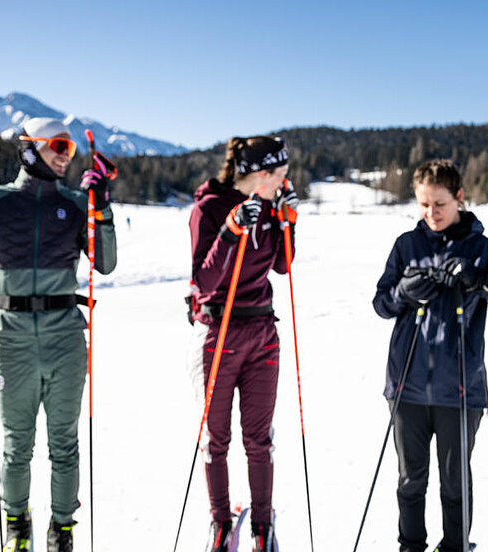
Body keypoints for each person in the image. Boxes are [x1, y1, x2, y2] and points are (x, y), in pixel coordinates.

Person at [0, 117, 117, 552]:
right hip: (12, 340)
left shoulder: (77, 203)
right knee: (17, 444)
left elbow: (106, 263)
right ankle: (17, 523)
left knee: (65, 444)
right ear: (30, 148)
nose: (65, 156)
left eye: (70, 150)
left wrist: (103, 206)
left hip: (65, 341)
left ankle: (63, 529)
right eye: (58, 146)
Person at [373, 159, 488, 552]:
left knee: (455, 483)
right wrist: (404, 293)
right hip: (406, 386)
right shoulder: (406, 246)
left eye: (439, 204)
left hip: (460, 391)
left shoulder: (485, 251)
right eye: (424, 205)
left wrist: (483, 282)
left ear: (459, 197)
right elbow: (381, 304)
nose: (431, 214)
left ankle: (456, 547)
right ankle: (410, 546)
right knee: (410, 480)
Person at [187, 136, 297, 552]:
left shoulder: (270, 209)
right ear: (260, 175)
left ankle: (263, 526)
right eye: (280, 178)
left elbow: (283, 266)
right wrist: (231, 231)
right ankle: (219, 522)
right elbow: (205, 280)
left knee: (259, 439)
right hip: (218, 332)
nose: (284, 184)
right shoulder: (209, 208)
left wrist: (288, 222)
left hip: (262, 332)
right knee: (216, 438)